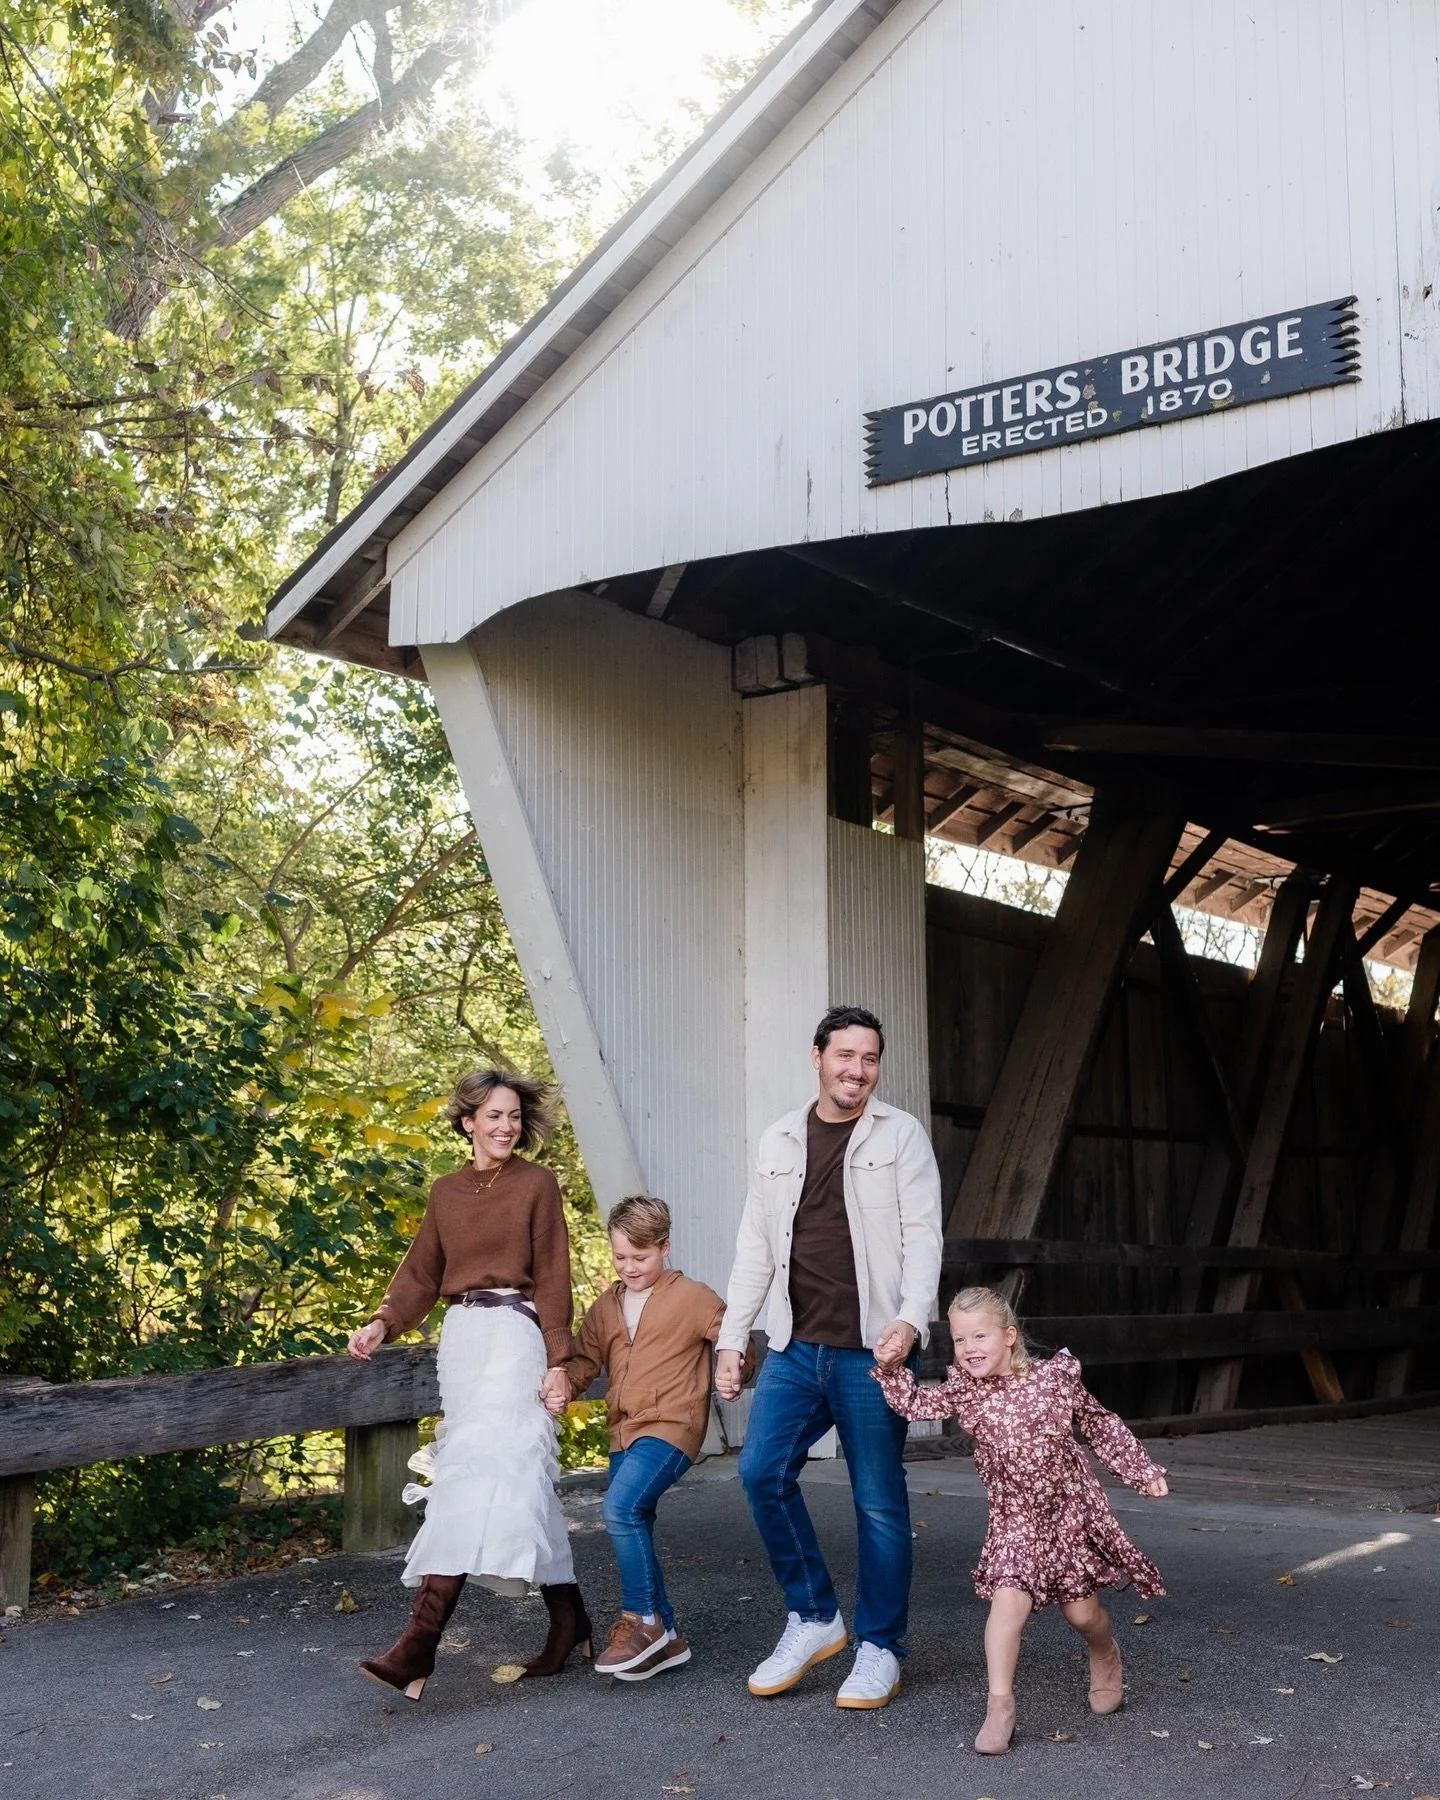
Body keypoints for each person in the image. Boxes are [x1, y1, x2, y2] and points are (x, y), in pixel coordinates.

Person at [714, 1004, 943, 1711]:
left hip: (872, 1353)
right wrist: (731, 1337)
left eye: (869, 1059)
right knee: (760, 1471)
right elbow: (755, 1246)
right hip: (792, 1345)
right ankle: (814, 1616)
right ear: (817, 1056)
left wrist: (910, 1321)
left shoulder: (900, 1135)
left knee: (878, 1502)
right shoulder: (780, 1139)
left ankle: (879, 1647)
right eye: (845, 1055)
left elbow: (924, 1237)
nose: (857, 1070)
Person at [346, 1068, 588, 1700]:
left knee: (479, 1475)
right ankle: (571, 1618)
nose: (507, 1126)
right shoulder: (446, 1191)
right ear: (468, 1123)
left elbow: (555, 1274)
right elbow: (422, 1271)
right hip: (461, 1342)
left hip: (515, 1334)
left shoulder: (537, 1184)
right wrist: (382, 1323)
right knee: (510, 1477)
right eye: (494, 1116)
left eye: (513, 1116)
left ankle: (418, 1644)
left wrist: (559, 1360)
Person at [874, 1284, 1169, 1754]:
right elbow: (915, 1405)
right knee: (1007, 1606)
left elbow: (1098, 1422)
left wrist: (1141, 1470)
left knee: (1084, 1614)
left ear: (1009, 1336)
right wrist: (891, 1368)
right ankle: (1000, 1706)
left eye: (980, 1336)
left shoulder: (1055, 1379)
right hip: (1014, 1519)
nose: (969, 1349)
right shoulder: (965, 1391)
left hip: (1067, 1513)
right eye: (960, 1340)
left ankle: (1103, 1651)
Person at [548, 1195, 754, 1681]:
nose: (629, 1267)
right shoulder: (607, 1306)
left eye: (640, 1258)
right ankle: (669, 1638)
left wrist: (733, 1368)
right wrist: (562, 1378)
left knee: (620, 1509)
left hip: (673, 1426)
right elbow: (582, 1361)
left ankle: (641, 1620)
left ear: (664, 1247)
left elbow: (735, 1338)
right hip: (624, 1430)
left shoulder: (693, 1297)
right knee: (634, 1516)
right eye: (620, 1257)